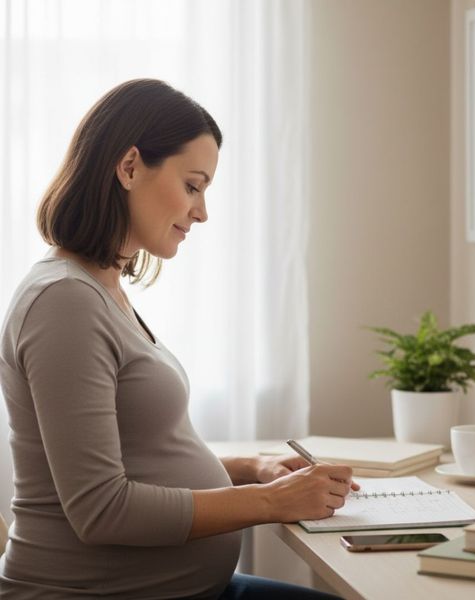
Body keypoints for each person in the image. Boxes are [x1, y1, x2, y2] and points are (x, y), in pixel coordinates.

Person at [0, 79, 357, 599]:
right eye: (193, 186)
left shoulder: (100, 287)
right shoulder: (64, 303)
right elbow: (103, 511)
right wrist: (273, 501)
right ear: (128, 167)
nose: (202, 211)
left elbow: (141, 456)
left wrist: (251, 470)